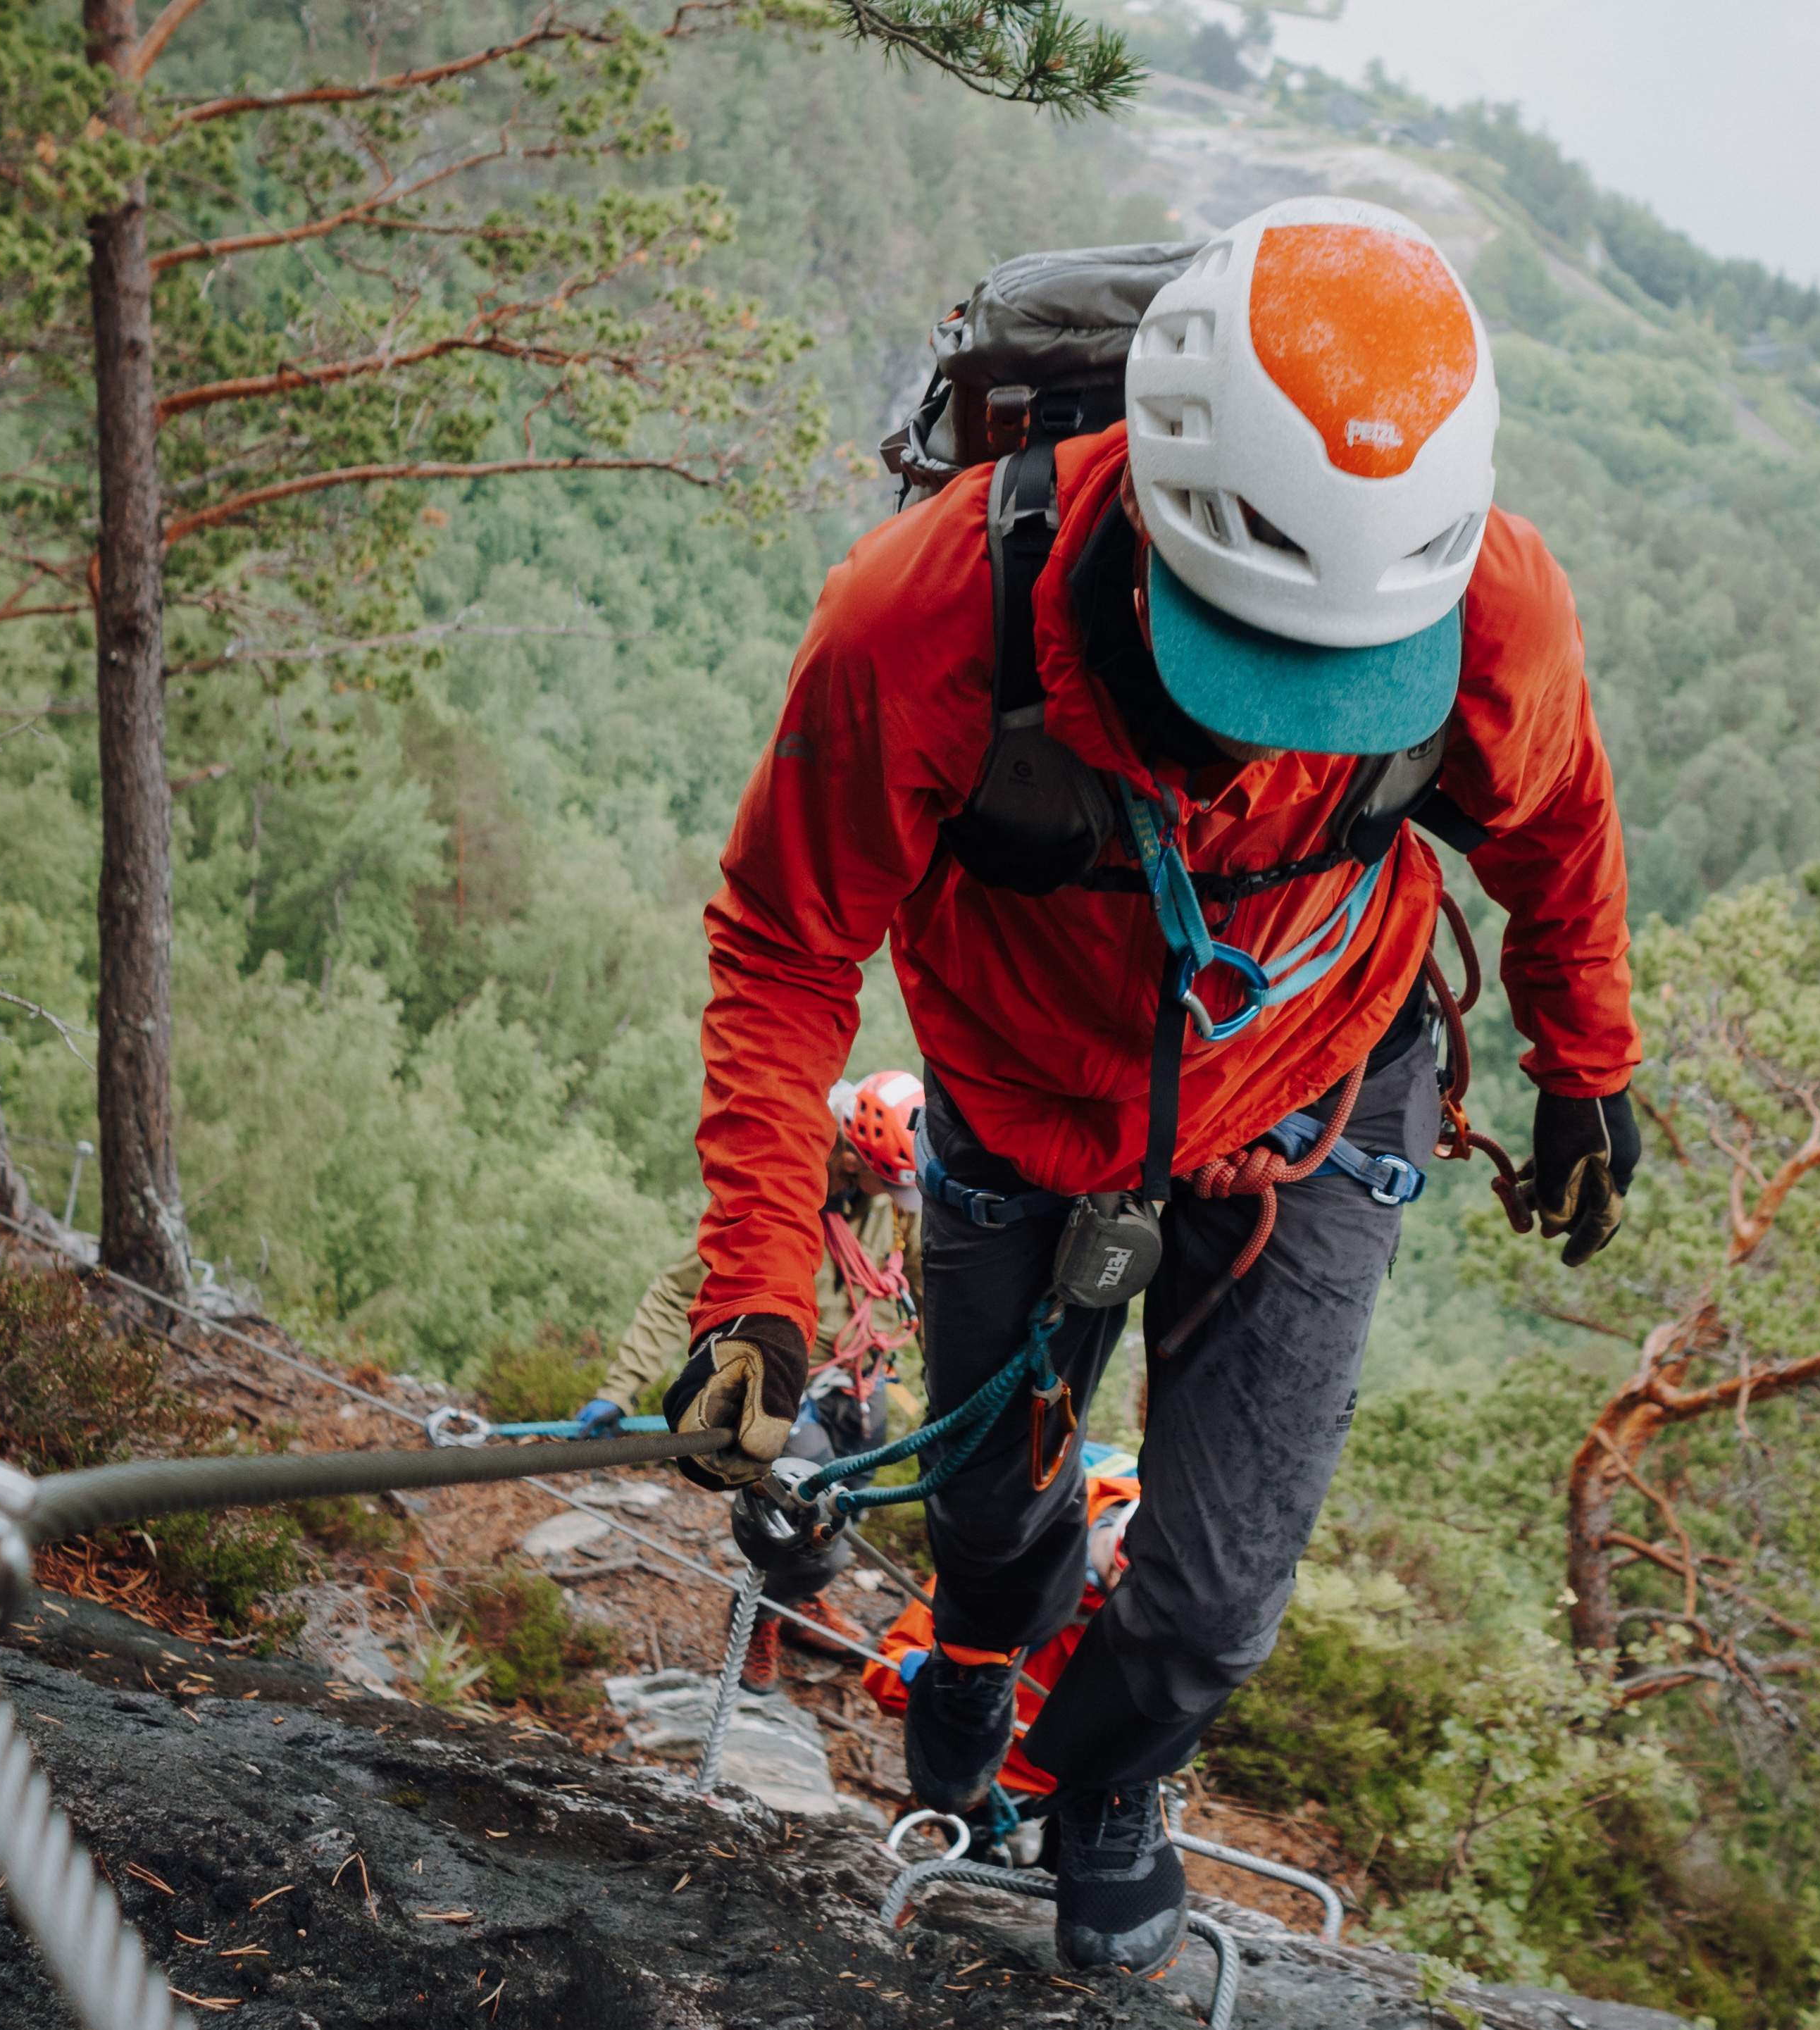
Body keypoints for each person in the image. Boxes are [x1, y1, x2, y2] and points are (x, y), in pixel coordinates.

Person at [673, 196, 1640, 1978]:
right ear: (1151, 538)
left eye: (1330, 688)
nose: (1274, 733)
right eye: (1241, 669)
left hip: (1318, 1087)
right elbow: (789, 942)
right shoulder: (928, 620)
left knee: (1210, 1601)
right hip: (1023, 1105)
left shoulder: (1485, 607)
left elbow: (1555, 822)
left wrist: (1584, 1061)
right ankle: (977, 1646)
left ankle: (1103, 1778)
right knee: (987, 1513)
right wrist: (754, 1287)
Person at [580, 1070, 925, 1687]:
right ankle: (759, 1614)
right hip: (787, 1390)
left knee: (854, 1503)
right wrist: (619, 1389)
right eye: (890, 1184)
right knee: (810, 1523)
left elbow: (927, 1284)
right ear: (852, 1157)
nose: (899, 1200)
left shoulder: (890, 1203)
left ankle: (793, 1603)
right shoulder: (778, 1201)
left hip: (861, 1382)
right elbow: (675, 1293)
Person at [861, 1462, 1141, 1819]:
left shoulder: (1181, 1600)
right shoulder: (1025, 1545)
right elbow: (885, 1670)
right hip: (983, 1754)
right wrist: (927, 1678)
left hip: (1049, 1774)